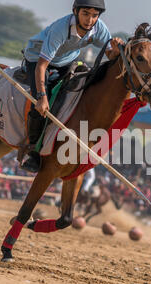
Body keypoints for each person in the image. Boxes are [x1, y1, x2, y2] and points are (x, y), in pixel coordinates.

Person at [21, 0, 124, 172]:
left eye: (94, 15)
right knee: (41, 106)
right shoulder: (61, 29)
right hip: (37, 59)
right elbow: (41, 66)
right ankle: (33, 152)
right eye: (85, 13)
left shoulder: (99, 28)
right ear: (75, 11)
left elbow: (110, 54)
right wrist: (41, 97)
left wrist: (115, 50)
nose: (90, 20)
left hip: (66, 61)